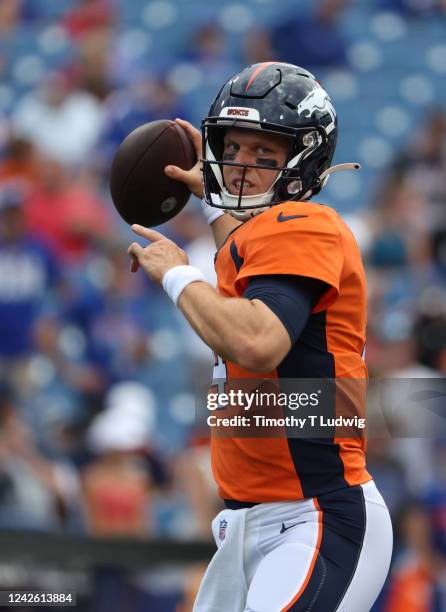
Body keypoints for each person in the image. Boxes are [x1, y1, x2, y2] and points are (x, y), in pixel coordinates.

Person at [128, 62, 393, 611]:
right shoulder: (262, 239)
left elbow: (257, 342)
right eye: (233, 149)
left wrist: (177, 273)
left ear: (304, 162)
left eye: (265, 156)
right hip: (247, 524)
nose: (242, 168)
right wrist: (211, 200)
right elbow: (243, 258)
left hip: (314, 516)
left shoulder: (304, 223)